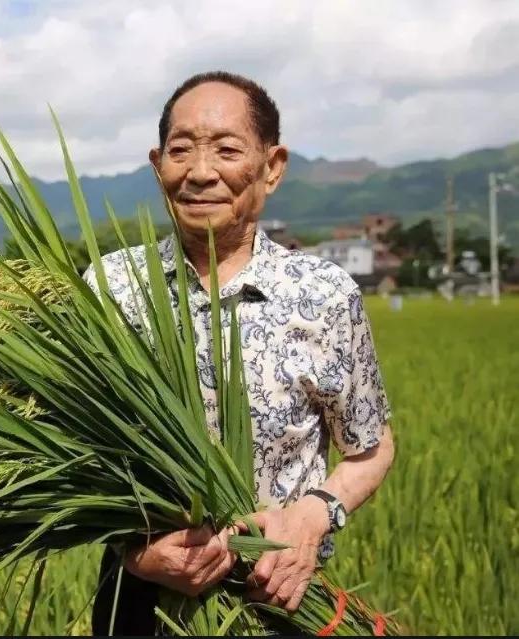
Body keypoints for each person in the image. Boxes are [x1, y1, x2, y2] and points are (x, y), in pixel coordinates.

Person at [83, 71, 395, 635]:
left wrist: (311, 515)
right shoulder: (111, 288)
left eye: (227, 150)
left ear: (272, 167)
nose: (201, 173)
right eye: (181, 151)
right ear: (158, 165)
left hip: (282, 600)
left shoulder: (323, 295)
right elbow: (76, 452)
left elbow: (370, 447)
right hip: (138, 602)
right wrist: (137, 553)